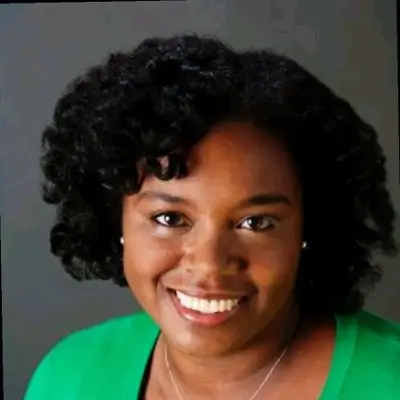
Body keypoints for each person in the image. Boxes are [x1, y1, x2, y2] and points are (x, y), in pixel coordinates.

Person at [24, 34, 400, 400]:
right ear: (114, 218)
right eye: (169, 218)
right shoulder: (70, 374)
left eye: (256, 222)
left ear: (309, 227)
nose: (209, 265)